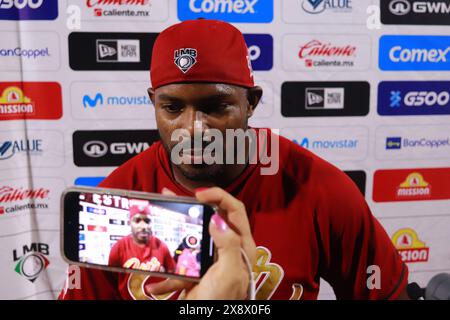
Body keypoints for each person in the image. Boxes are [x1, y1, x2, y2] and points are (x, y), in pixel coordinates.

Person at [59, 19, 409, 300]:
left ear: (251, 103)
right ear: (153, 102)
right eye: (173, 108)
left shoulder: (319, 188)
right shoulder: (117, 198)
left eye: (214, 107)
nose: (192, 129)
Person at [108, 204, 176, 275]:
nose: (143, 226)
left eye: (147, 221)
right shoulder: (118, 247)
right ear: (129, 223)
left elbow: (172, 274)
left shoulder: (162, 246)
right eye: (137, 221)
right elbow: (111, 278)